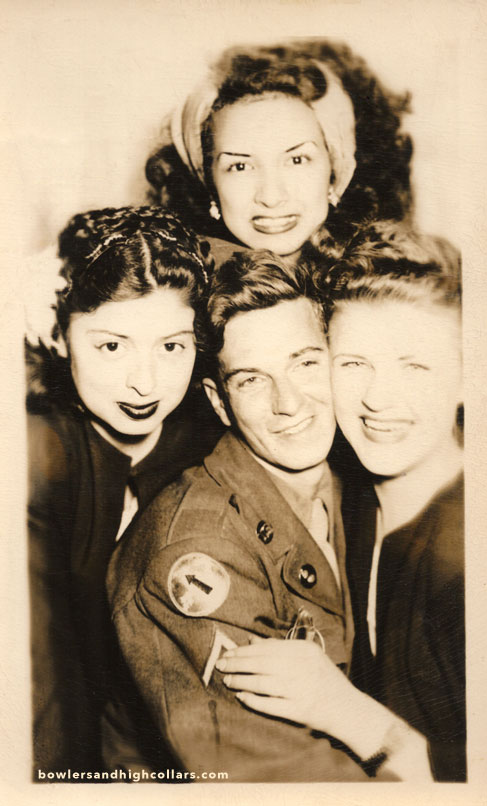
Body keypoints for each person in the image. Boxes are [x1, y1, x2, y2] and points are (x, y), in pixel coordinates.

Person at [107, 249, 431, 782]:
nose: (289, 403)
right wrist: (409, 758)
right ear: (219, 402)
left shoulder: (354, 485)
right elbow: (280, 780)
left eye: (305, 363)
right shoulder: (195, 551)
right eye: (252, 380)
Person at [216, 223, 464, 782]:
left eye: (415, 366)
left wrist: (346, 712)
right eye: (353, 363)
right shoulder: (352, 502)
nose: (378, 398)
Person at [26, 205, 218, 776]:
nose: (145, 382)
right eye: (112, 346)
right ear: (58, 333)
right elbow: (43, 679)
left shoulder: (209, 443)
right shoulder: (36, 453)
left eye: (171, 346)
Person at [146, 39, 413, 265]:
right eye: (240, 166)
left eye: (297, 160)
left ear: (335, 172)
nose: (271, 198)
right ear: (210, 183)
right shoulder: (172, 294)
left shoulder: (392, 286)